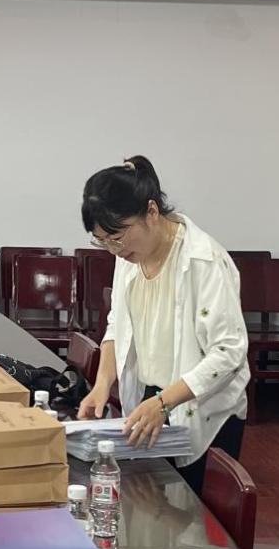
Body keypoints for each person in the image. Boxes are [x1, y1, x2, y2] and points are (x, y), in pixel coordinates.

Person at [77, 155, 250, 494]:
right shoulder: (129, 256)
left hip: (203, 410)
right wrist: (102, 384)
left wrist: (164, 402)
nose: (113, 249)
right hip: (152, 400)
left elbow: (229, 353)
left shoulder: (204, 261)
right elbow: (117, 324)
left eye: (117, 236)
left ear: (152, 212)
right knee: (151, 510)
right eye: (102, 240)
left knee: (193, 517)